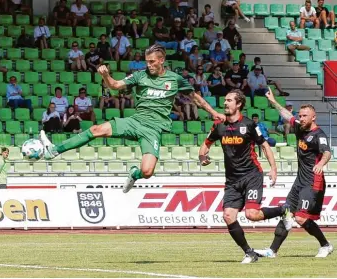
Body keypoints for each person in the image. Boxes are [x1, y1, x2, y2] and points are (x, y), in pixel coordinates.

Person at [39, 44, 225, 193]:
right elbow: (114, 85)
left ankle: (134, 174)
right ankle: (53, 150)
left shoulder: (175, 79)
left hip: (153, 129)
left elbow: (195, 98)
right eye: (147, 61)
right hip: (135, 121)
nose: (149, 65)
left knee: (147, 171)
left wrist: (214, 113)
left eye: (152, 61)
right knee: (96, 129)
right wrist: (105, 76)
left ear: (162, 60)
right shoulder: (139, 76)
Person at [199, 89, 289, 264]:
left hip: (251, 175)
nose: (225, 103)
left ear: (238, 104)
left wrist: (273, 168)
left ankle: (283, 210)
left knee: (252, 214)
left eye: (229, 100)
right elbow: (205, 146)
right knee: (228, 216)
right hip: (232, 180)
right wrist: (203, 157)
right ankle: (249, 253)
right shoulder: (219, 125)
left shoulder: (249, 125)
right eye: (225, 100)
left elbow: (264, 146)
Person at [255, 88, 334, 259]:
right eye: (300, 115)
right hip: (299, 182)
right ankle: (272, 251)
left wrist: (321, 163)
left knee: (300, 218)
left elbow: (327, 152)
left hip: (313, 182)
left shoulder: (319, 135)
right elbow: (285, 114)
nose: (301, 118)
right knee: (287, 213)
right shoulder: (299, 127)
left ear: (313, 117)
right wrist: (273, 101)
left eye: (305, 116)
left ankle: (326, 245)